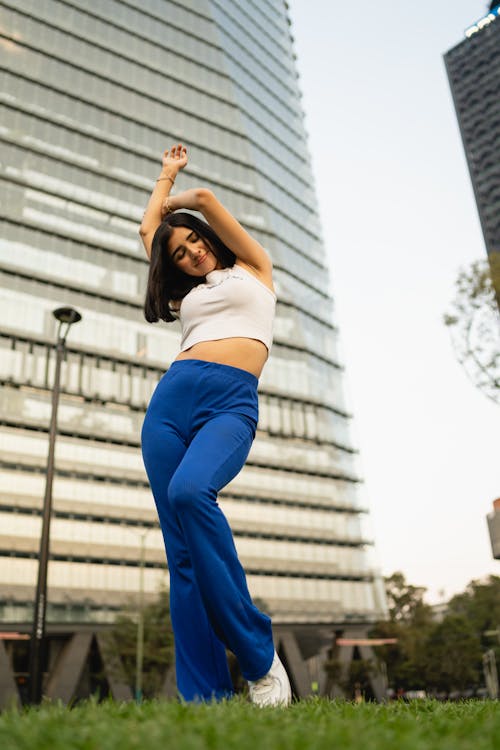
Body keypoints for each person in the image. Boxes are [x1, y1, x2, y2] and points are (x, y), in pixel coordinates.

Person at [139, 144, 292, 706]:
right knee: (180, 556)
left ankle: (259, 658)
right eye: (179, 253)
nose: (191, 253)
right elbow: (148, 231)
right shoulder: (189, 299)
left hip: (230, 403)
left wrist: (172, 181)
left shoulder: (254, 269)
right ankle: (203, 698)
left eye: (195, 241)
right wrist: (160, 217)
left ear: (209, 239)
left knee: (191, 491)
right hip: (171, 404)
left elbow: (200, 201)